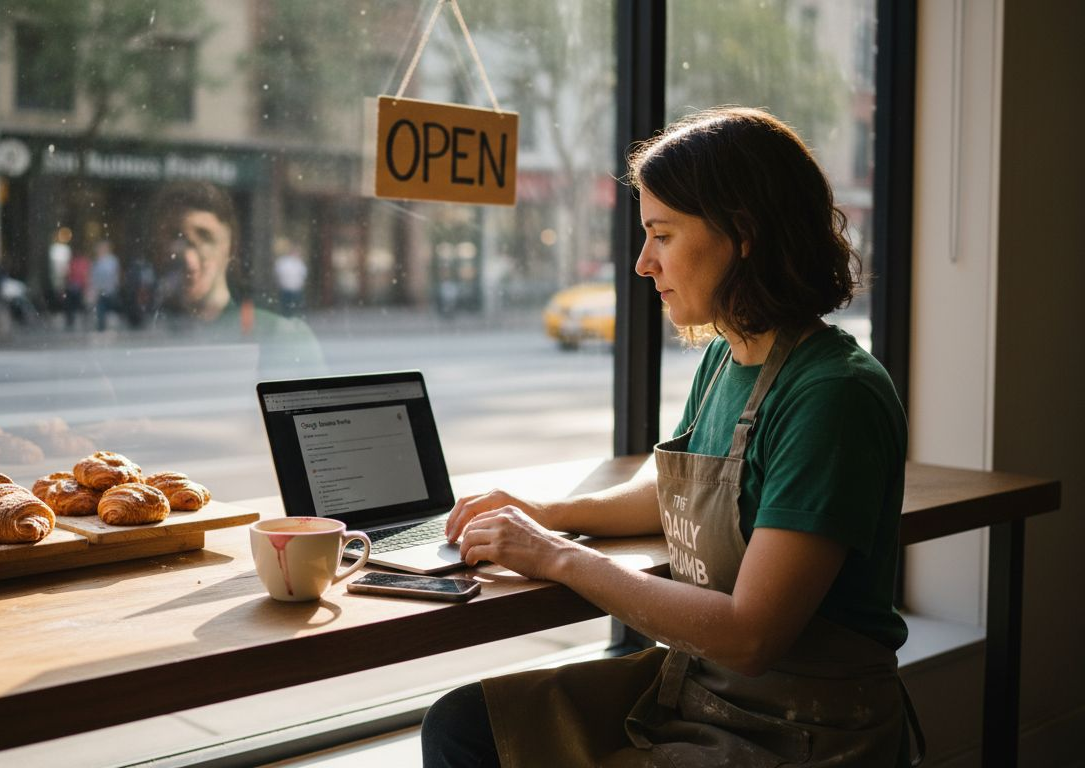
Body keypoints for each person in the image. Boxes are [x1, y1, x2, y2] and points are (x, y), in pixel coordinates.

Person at [422, 107, 920, 767]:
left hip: (800, 729)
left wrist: (560, 557)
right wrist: (548, 515)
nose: (641, 263)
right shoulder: (727, 358)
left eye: (661, 234)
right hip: (702, 688)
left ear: (743, 235)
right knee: (463, 724)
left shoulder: (832, 395)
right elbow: (677, 484)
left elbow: (750, 636)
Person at [163, 183, 324, 376]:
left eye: (205, 238)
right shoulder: (157, 332)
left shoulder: (281, 335)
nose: (189, 259)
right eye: (178, 239)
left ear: (230, 247)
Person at [272, 238, 308, 316]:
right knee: (286, 306)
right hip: (286, 288)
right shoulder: (284, 261)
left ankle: (292, 317)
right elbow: (279, 273)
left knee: (294, 306)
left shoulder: (299, 263)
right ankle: (287, 317)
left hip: (296, 289)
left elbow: (303, 275)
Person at [90, 240, 120, 332]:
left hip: (110, 289)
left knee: (110, 307)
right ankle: (101, 326)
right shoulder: (97, 261)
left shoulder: (112, 260)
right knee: (101, 308)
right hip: (100, 290)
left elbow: (114, 274)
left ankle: (107, 324)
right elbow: (93, 276)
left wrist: (115, 284)